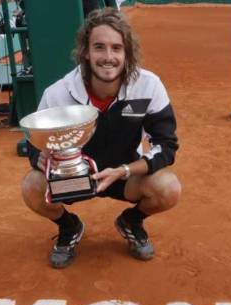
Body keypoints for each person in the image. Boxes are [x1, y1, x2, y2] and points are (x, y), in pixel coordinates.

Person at [23, 8, 180, 269]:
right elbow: (33, 144)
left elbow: (166, 146)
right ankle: (68, 227)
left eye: (116, 48)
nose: (108, 57)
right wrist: (41, 158)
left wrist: (124, 170)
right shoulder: (59, 93)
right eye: (99, 47)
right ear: (85, 51)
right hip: (75, 179)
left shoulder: (148, 86)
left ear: (127, 53)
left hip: (125, 176)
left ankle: (131, 221)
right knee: (31, 186)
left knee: (168, 188)